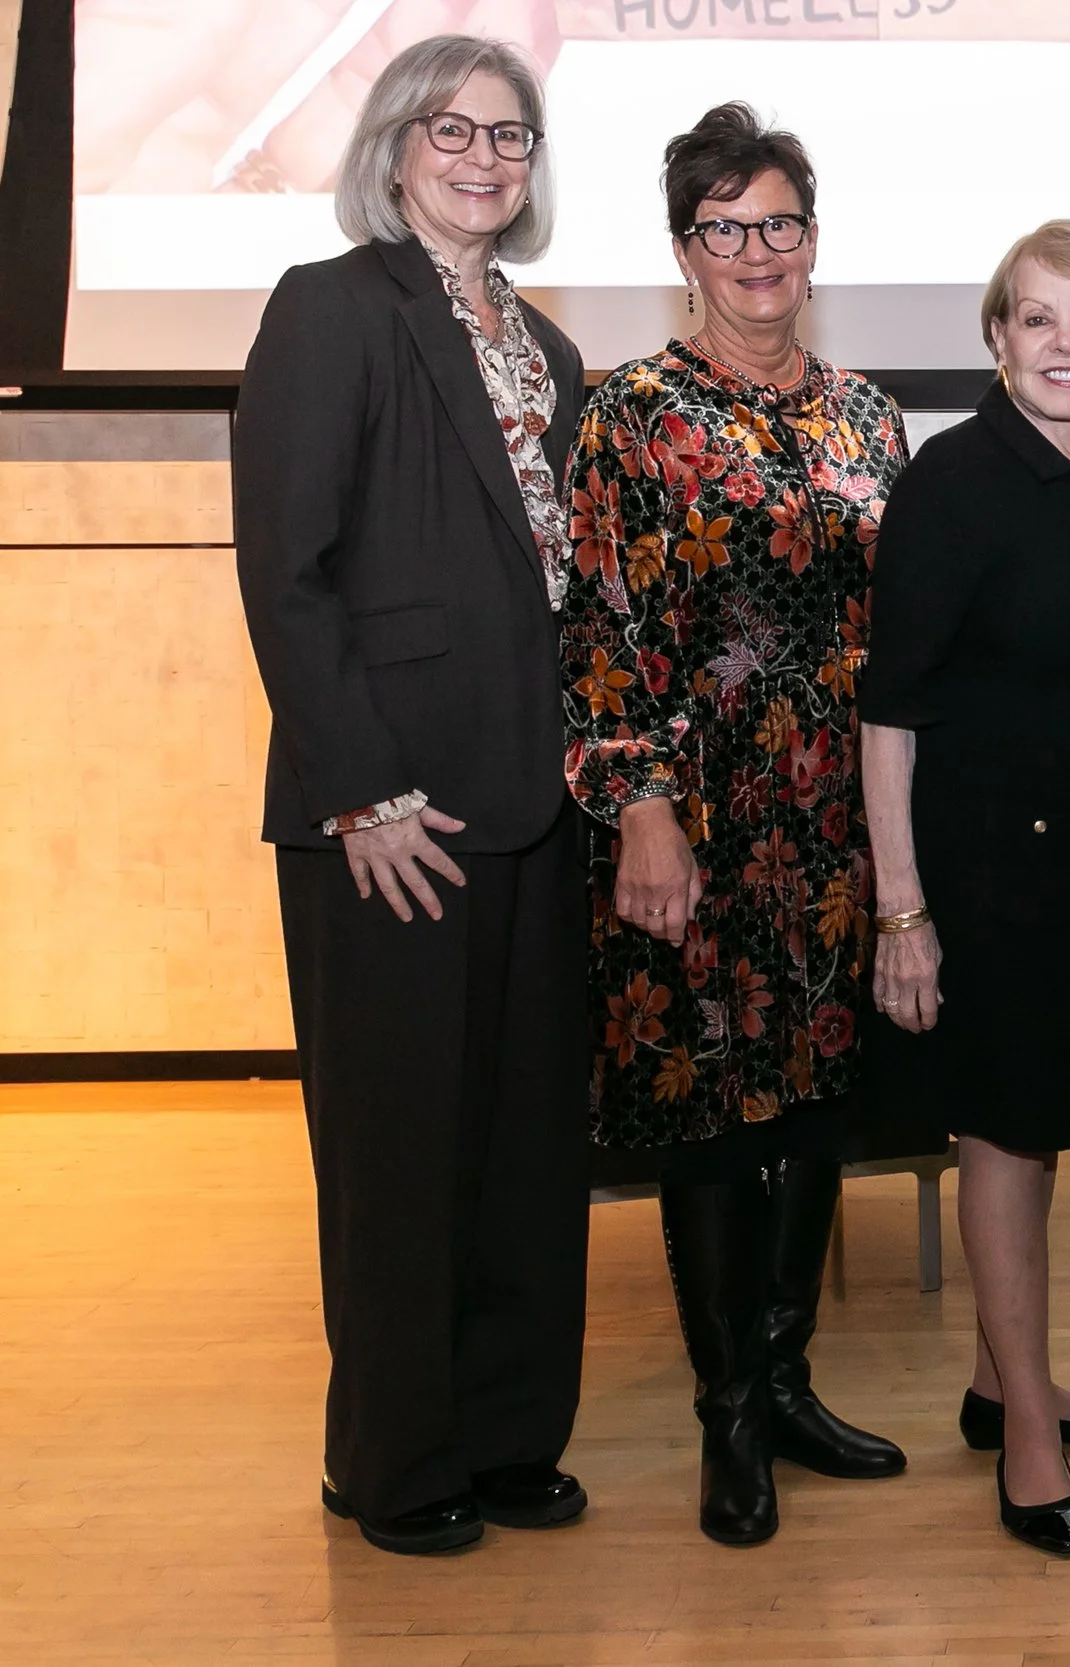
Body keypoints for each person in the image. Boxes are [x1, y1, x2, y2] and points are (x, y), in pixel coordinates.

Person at [231, 34, 590, 1557]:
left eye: (509, 135)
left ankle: (509, 1436)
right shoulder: (333, 309)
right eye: (451, 129)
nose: (483, 155)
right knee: (397, 1153)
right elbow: (286, 572)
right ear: (390, 148)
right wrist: (362, 792)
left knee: (521, 1149)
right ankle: (393, 1460)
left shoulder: (549, 348)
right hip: (390, 818)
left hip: (531, 801)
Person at [558, 102, 908, 1549]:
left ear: (812, 242)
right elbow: (604, 624)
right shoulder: (631, 413)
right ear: (684, 251)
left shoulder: (871, 415)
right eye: (724, 226)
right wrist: (640, 804)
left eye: (778, 222)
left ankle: (788, 1373)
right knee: (708, 1117)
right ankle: (728, 1415)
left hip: (839, 828)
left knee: (820, 1103)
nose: (756, 250)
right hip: (692, 827)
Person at [858, 220, 1070, 1557]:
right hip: (984, 868)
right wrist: (902, 909)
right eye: (1037, 318)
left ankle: (1006, 1380)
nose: (1064, 344)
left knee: (1041, 1126)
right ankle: (1030, 1441)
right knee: (1000, 1129)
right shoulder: (954, 482)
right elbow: (887, 711)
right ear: (997, 338)